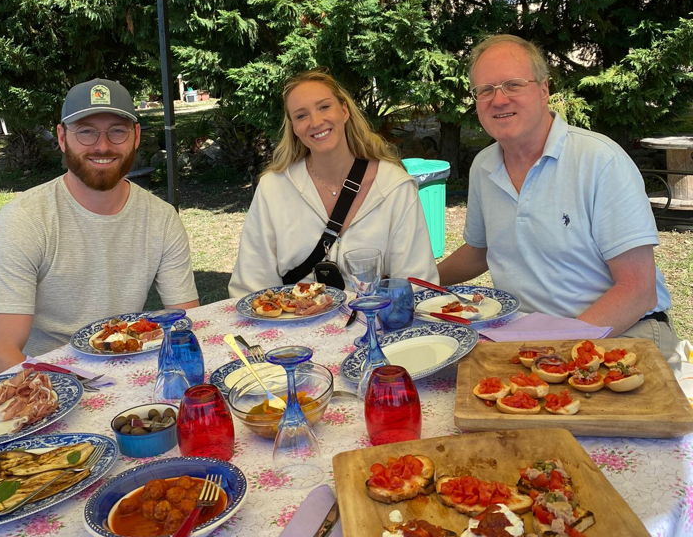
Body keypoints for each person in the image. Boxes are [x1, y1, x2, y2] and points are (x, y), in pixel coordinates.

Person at [437, 34, 678, 361]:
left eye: (513, 85)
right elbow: (481, 250)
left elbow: (638, 291)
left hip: (623, 332)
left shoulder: (599, 160)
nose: (499, 99)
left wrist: (553, 347)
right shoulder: (484, 166)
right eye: (486, 90)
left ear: (543, 90)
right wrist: (416, 282)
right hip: (528, 336)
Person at [0, 78, 199, 376]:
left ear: (136, 136)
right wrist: (77, 389)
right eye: (86, 132)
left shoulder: (161, 217)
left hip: (134, 373)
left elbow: (185, 322)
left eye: (117, 131)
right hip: (49, 380)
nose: (103, 146)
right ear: (62, 137)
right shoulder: (25, 219)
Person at [228, 70, 439, 297]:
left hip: (377, 317)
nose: (316, 122)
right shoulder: (273, 188)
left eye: (324, 107)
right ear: (294, 128)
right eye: (301, 116)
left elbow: (416, 285)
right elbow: (252, 286)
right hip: (291, 318)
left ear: (344, 111)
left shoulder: (395, 187)